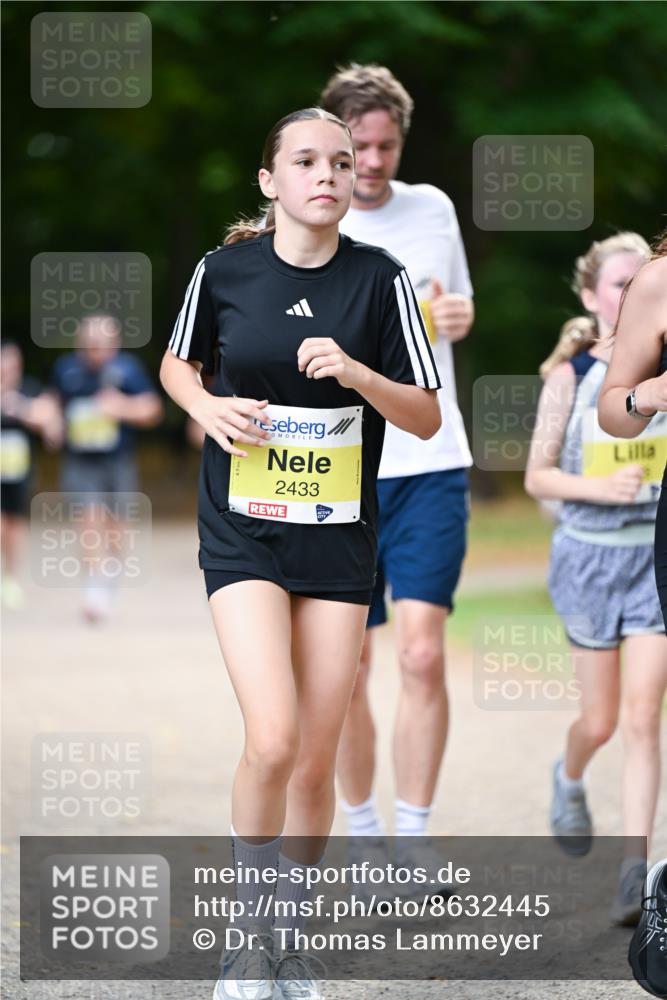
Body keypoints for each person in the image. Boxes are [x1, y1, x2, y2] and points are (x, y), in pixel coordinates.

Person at [159, 107, 441, 1000]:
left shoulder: (379, 280)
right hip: (242, 528)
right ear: (269, 181)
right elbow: (177, 365)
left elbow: (426, 414)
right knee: (273, 739)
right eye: (307, 160)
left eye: (342, 160)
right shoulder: (224, 270)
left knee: (317, 761)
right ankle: (245, 941)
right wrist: (204, 409)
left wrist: (359, 375)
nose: (328, 173)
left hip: (339, 542)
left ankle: (289, 936)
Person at [318, 64, 474, 876]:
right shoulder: (311, 224)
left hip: (431, 460)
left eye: (386, 145)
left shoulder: (434, 209)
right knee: (347, 669)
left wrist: (455, 315)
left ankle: (412, 837)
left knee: (420, 654)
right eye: (359, 147)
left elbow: (456, 308)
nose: (373, 162)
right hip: (345, 467)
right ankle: (364, 832)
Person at [524, 232, 667, 926]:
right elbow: (535, 475)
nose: (629, 293)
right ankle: (569, 772)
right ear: (590, 295)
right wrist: (596, 488)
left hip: (651, 559)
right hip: (585, 558)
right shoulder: (571, 377)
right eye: (617, 284)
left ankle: (633, 871)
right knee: (601, 720)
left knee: (644, 718)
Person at [47, 315, 163, 622]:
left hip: (118, 460)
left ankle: (108, 575)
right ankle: (94, 591)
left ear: (114, 344)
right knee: (88, 520)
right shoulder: (66, 369)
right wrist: (53, 424)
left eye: (102, 344)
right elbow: (53, 405)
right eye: (90, 343)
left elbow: (153, 409)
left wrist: (122, 407)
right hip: (80, 461)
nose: (95, 350)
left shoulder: (128, 370)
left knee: (116, 530)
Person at [0, 341, 57, 607]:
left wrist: (19, 408)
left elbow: (48, 421)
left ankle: (10, 578)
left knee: (14, 527)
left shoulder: (29, 389)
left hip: (17, 471)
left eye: (12, 365)